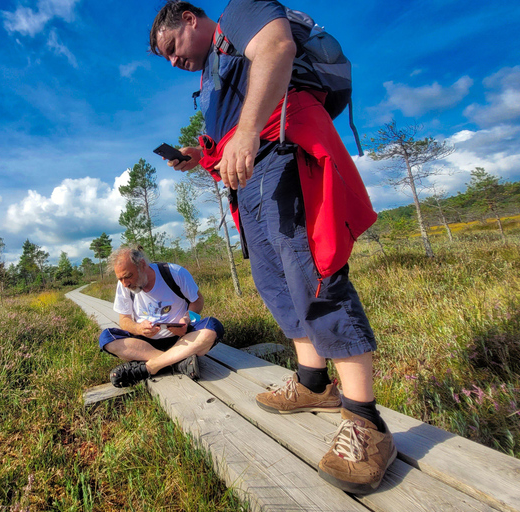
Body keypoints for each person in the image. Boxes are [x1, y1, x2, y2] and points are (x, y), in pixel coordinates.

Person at [149, 0, 396, 495]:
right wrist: (203, 153)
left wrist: (243, 134)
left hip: (282, 148)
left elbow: (278, 47)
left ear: (191, 20)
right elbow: (230, 130)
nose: (174, 63)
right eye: (167, 59)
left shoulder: (241, 12)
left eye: (173, 48)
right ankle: (311, 382)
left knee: (312, 271)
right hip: (250, 175)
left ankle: (367, 422)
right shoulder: (213, 74)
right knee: (274, 280)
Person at [99, 246, 224, 388]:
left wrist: (187, 319)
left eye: (128, 276)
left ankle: (151, 366)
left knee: (213, 327)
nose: (125, 283)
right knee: (106, 338)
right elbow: (124, 320)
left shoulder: (174, 273)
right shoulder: (124, 286)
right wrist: (138, 328)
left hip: (182, 339)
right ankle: (177, 362)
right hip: (145, 344)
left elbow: (197, 301)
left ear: (142, 265)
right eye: (120, 278)